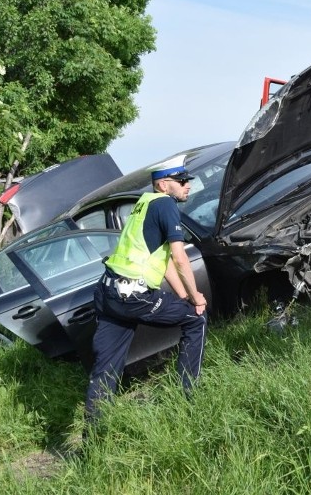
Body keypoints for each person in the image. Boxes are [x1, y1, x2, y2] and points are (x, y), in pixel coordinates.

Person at [84, 155, 208, 427]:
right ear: (164, 184)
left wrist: (184, 296)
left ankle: (92, 443)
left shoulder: (143, 203)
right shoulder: (166, 205)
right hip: (134, 296)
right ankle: (189, 398)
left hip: (109, 293)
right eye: (182, 180)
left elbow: (162, 264)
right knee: (196, 319)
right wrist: (197, 298)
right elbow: (179, 258)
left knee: (105, 369)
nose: (188, 184)